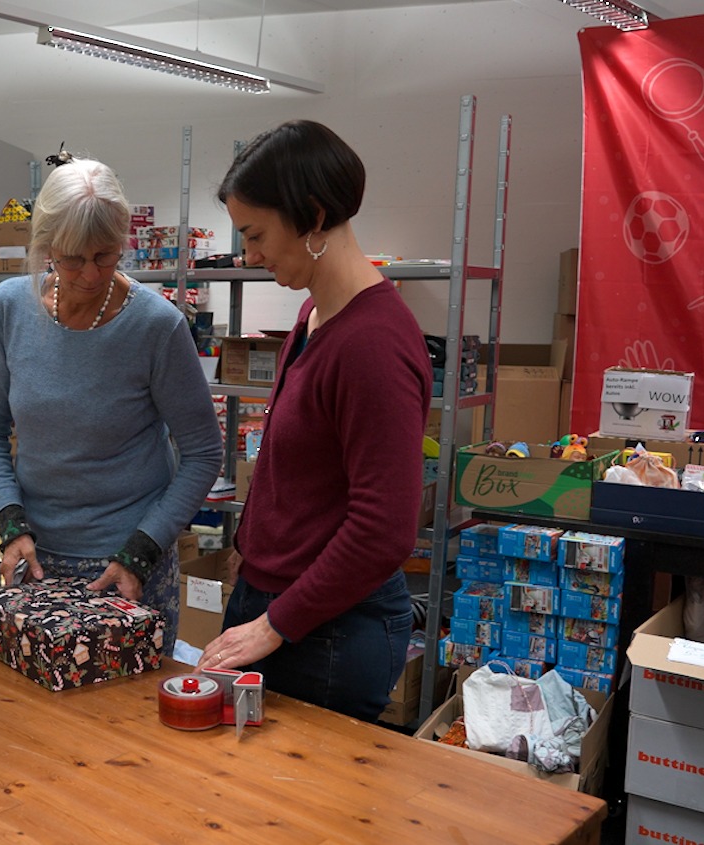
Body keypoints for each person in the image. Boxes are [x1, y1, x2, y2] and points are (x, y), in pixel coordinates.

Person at [196, 121, 432, 722]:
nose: (249, 255)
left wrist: (277, 624)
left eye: (256, 234)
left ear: (314, 216)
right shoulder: (314, 312)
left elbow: (384, 529)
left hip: (326, 633)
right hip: (279, 608)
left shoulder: (373, 343)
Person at [0, 157, 223, 654]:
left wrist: (143, 551)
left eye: (106, 257)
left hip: (128, 566)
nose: (90, 275)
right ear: (45, 249)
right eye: (71, 259)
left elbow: (203, 454)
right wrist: (11, 521)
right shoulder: (9, 308)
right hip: (35, 558)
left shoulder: (158, 326)